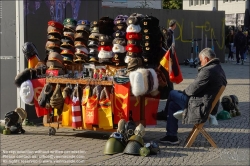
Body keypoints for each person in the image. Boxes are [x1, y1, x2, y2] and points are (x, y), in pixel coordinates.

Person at [159, 48, 227, 144]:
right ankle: (171, 136)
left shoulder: (208, 70)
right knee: (172, 105)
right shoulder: (218, 68)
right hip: (205, 102)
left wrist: (182, 93)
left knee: (172, 93)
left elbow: (193, 89)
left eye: (201, 60)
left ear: (206, 59)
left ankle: (165, 115)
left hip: (201, 106)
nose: (200, 63)